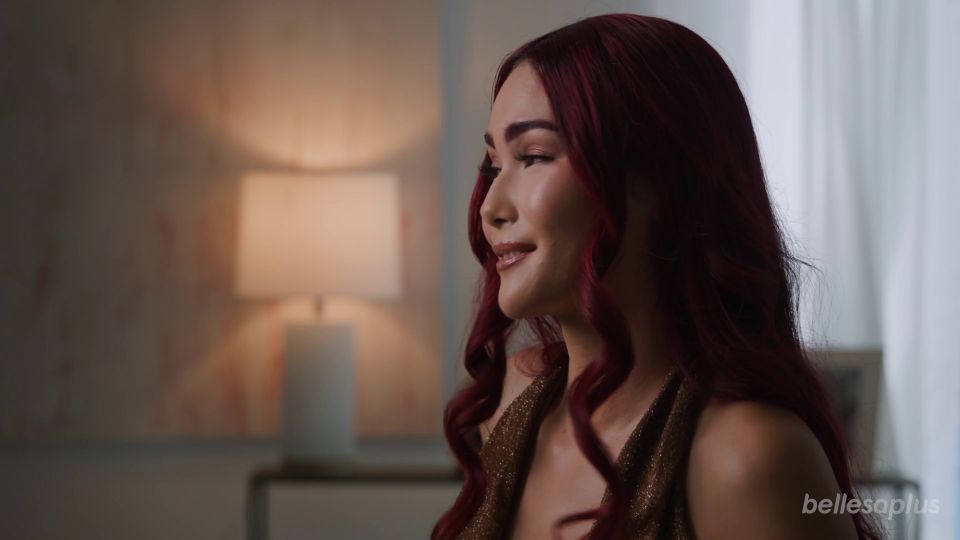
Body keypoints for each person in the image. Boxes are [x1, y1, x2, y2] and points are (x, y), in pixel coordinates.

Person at [432, 13, 883, 540]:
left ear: (662, 182)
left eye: (533, 156)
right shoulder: (512, 398)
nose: (490, 208)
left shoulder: (744, 456)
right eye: (493, 164)